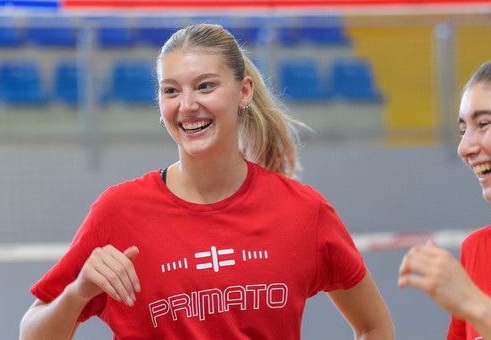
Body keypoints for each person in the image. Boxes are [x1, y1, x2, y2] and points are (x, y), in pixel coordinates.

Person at [20, 23, 394, 339]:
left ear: (244, 91)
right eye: (171, 90)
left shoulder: (304, 211)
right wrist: (78, 292)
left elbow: (375, 326)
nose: (186, 105)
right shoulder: (117, 212)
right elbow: (30, 332)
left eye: (205, 86)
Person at [398, 60, 491, 340]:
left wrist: (476, 305)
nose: (464, 148)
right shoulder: (476, 250)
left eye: (483, 124)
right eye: (463, 130)